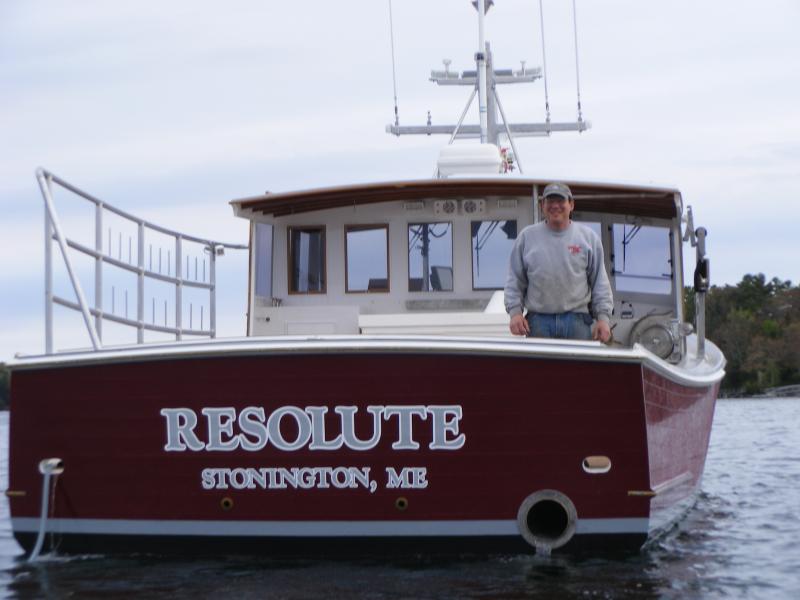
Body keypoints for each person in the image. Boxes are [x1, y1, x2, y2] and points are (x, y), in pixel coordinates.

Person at [504, 182, 613, 342]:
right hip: (537, 322)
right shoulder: (526, 237)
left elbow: (600, 282)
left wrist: (603, 319)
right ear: (542, 205)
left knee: (578, 369)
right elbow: (514, 280)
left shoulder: (589, 238)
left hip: (578, 322)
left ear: (571, 204)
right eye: (550, 201)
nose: (555, 206)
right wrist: (515, 314)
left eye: (560, 201)